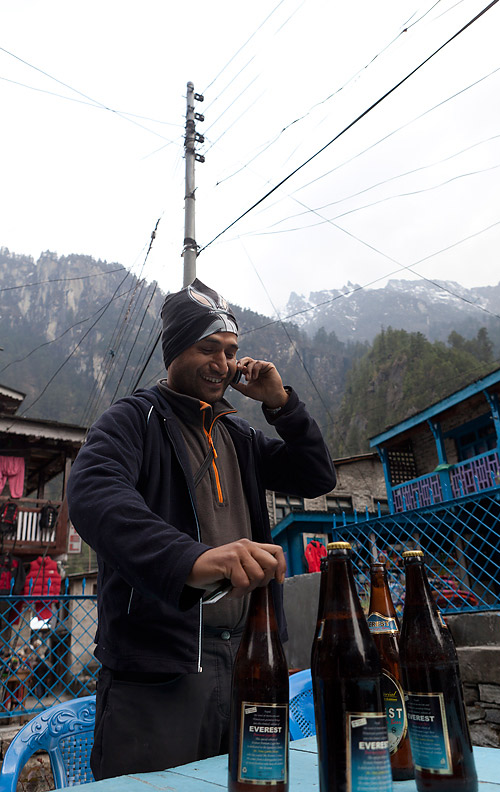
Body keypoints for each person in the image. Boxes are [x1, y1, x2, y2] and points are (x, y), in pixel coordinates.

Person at [67, 278, 336, 780]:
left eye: (231, 351)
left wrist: (282, 405)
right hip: (159, 674)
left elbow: (317, 476)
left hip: (250, 657)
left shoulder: (239, 434)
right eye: (207, 348)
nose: (223, 363)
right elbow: (92, 492)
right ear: (173, 351)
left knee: (254, 783)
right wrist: (190, 559)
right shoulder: (133, 420)